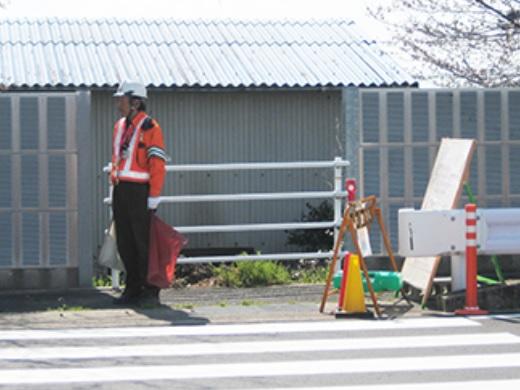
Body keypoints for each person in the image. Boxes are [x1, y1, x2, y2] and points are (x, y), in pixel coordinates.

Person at [110, 81, 167, 305]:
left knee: (143, 242)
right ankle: (132, 287)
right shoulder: (119, 126)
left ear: (135, 102)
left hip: (140, 191)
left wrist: (154, 197)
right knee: (124, 241)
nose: (118, 103)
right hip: (121, 188)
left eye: (121, 99)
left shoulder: (151, 127)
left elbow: (157, 164)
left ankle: (150, 290)